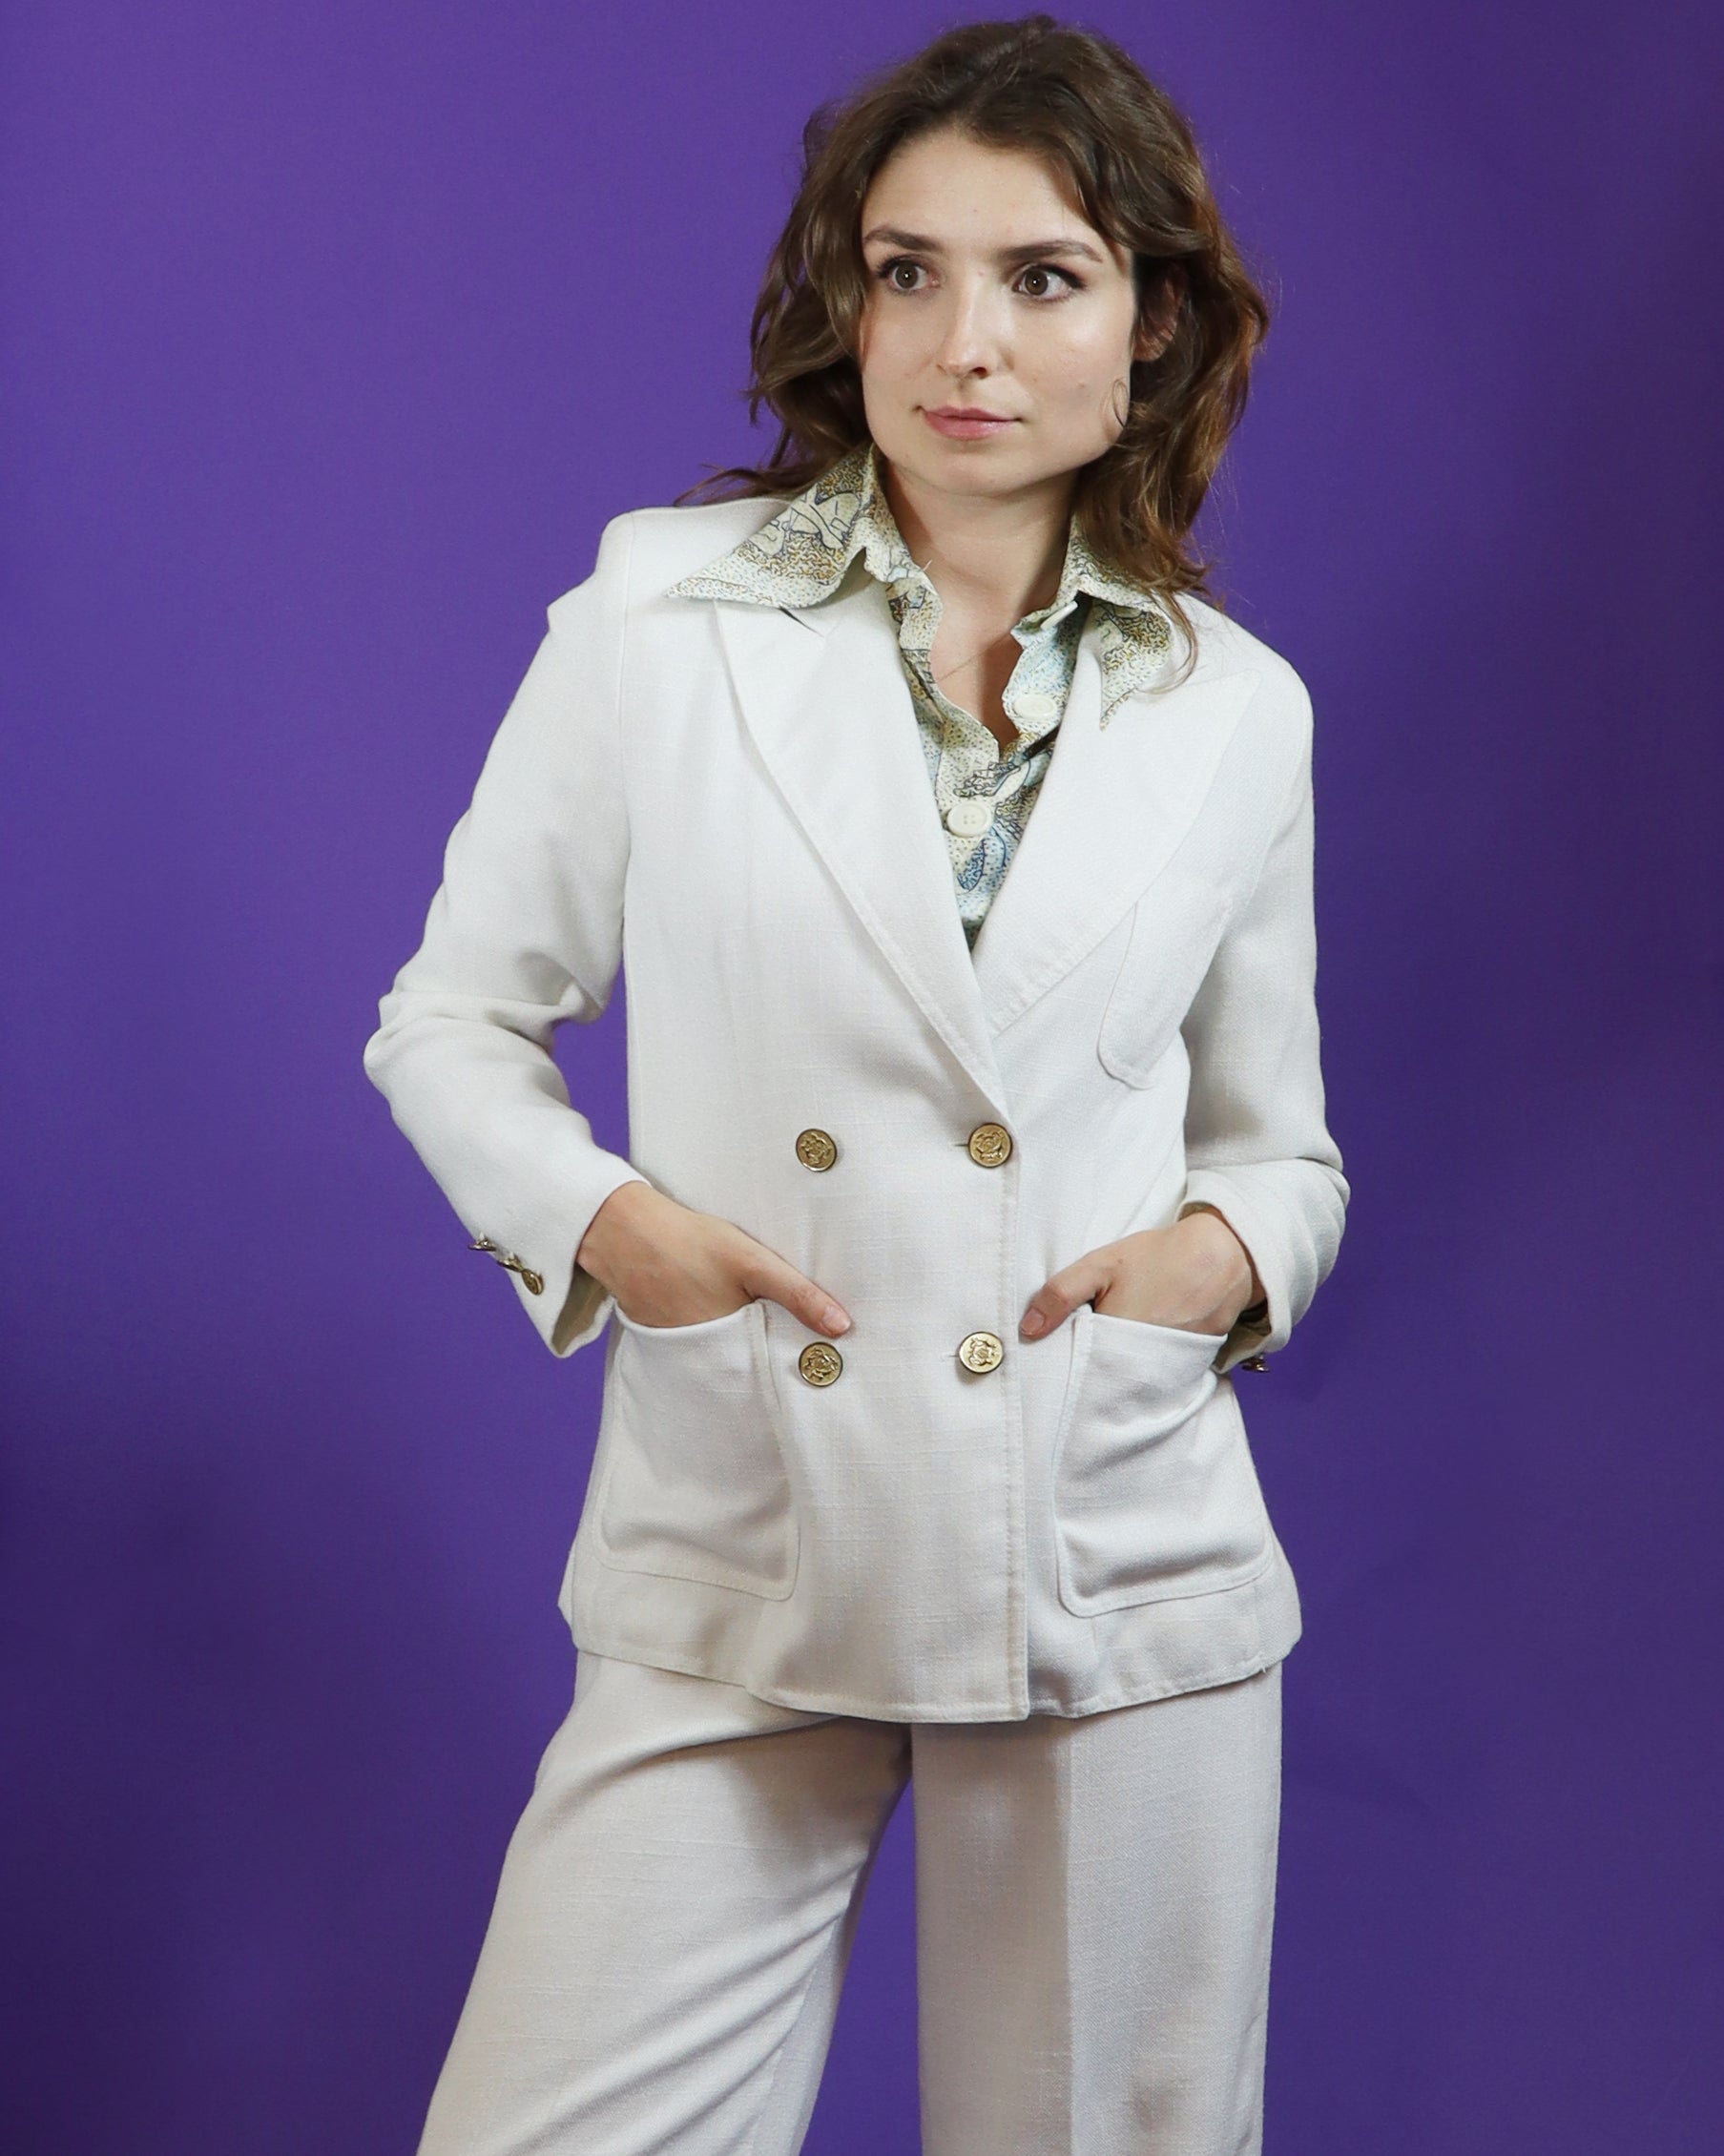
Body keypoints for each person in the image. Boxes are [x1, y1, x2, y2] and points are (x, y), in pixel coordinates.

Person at [363, 14, 1348, 2153]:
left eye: (1041, 277)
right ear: (849, 298)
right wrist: (611, 1225)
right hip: (751, 1525)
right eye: (908, 271)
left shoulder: (1236, 709)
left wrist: (1221, 1258)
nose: (961, 342)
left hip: (1108, 1546)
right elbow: (448, 1020)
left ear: (1151, 320)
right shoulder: (661, 615)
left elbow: (1278, 1144)